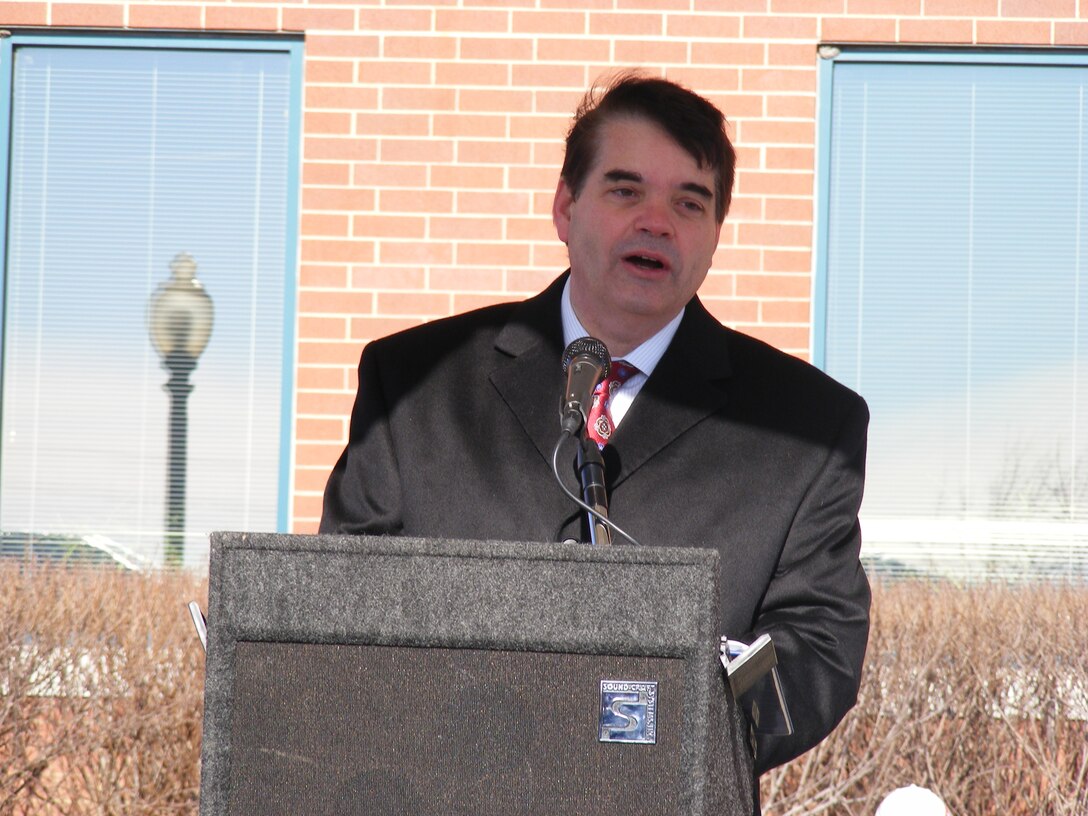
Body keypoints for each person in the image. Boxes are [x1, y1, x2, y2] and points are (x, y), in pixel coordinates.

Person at [321, 72, 870, 781]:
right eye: (625, 190)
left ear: (713, 237)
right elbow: (340, 610)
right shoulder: (415, 385)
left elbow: (818, 650)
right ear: (565, 207)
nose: (656, 221)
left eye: (689, 202)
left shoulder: (808, 428)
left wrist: (672, 727)